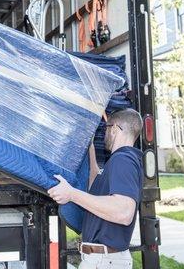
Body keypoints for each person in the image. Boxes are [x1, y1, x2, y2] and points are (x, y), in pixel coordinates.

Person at [48, 108, 144, 269]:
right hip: (104, 260)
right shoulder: (120, 161)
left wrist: (71, 194)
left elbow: (124, 212)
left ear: (114, 129)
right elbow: (94, 184)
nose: (103, 133)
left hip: (105, 262)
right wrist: (90, 147)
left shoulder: (123, 160)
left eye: (105, 128)